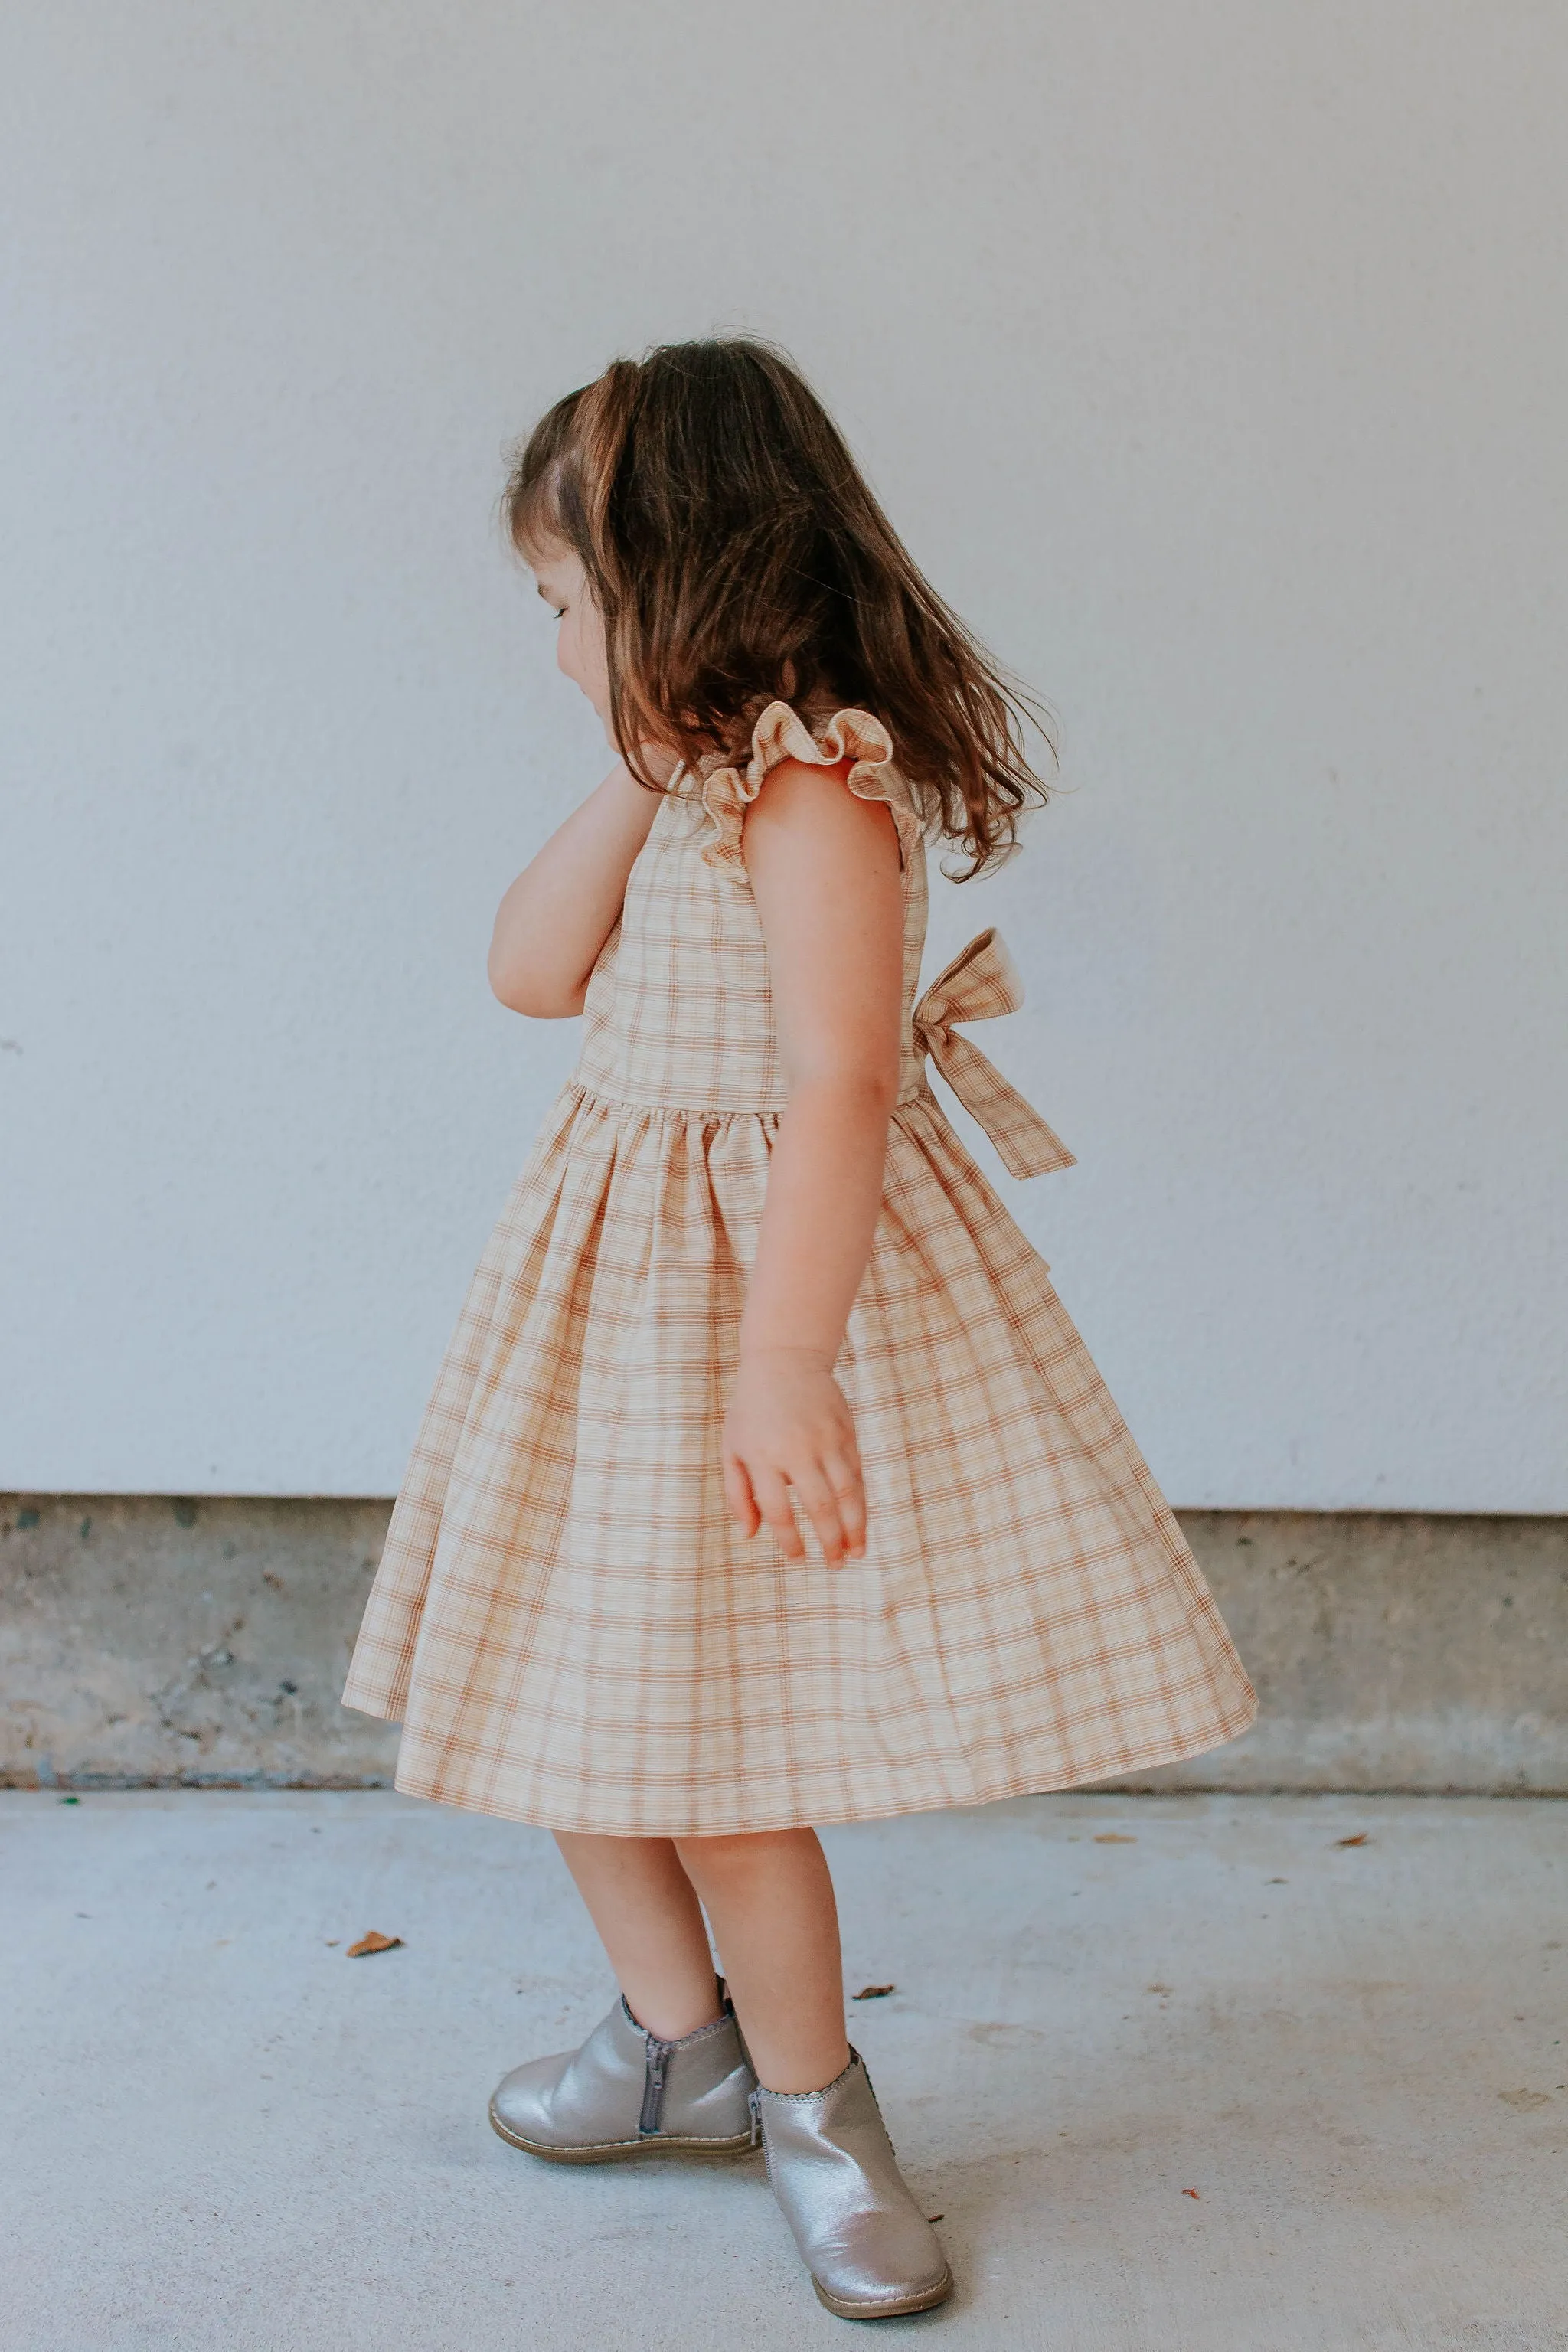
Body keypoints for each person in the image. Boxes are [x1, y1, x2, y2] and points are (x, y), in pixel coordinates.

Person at [343, 338, 1256, 2321]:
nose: (555, 646)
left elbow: (844, 1079)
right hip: (604, 1304)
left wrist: (785, 1365)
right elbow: (526, 972)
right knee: (560, 1706)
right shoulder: (686, 787)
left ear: (677, 578)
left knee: (728, 1755)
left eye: (568, 606)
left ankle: (818, 2100)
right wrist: (628, 767)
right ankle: (678, 2042)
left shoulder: (821, 787)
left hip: (748, 1301)